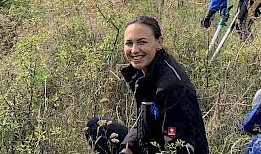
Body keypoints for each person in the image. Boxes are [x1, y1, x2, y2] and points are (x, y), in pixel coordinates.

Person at [86, 15, 209, 154]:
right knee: (96, 127)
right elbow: (143, 121)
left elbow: (179, 146)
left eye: (142, 42)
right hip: (152, 141)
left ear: (159, 42)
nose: (134, 50)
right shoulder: (146, 71)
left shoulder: (172, 86)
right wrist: (128, 148)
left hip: (171, 148)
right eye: (129, 43)